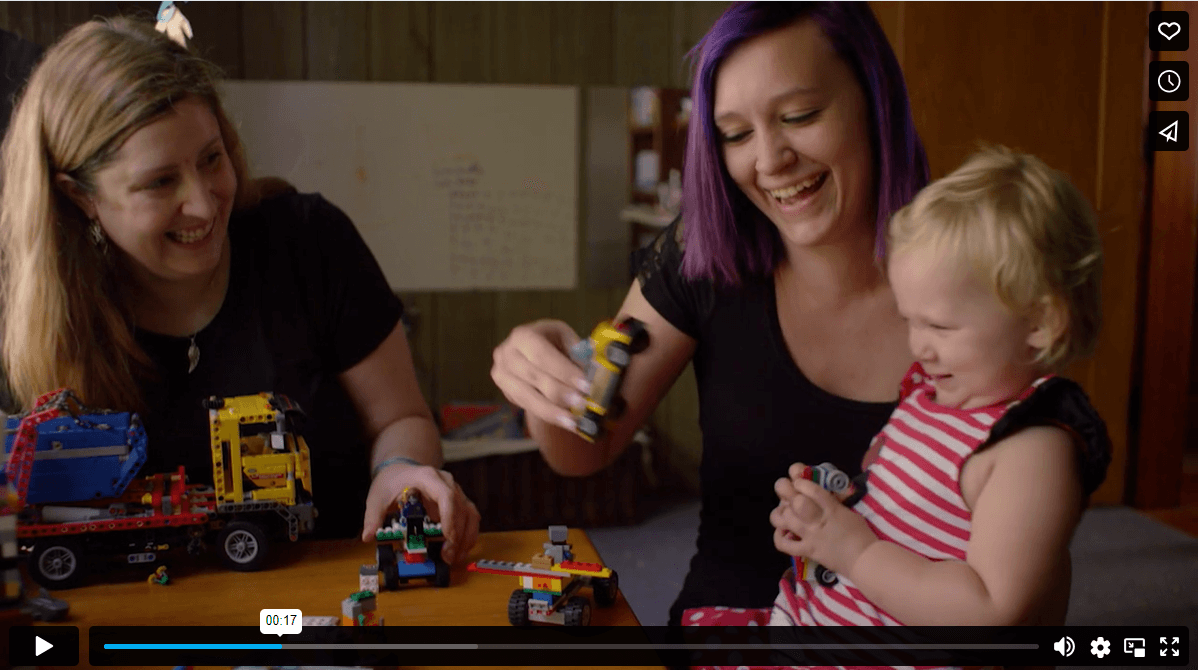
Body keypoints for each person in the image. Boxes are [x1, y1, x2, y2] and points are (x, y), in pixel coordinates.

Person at [491, 1, 929, 624]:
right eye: (736, 134)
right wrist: (551, 375)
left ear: (874, 99)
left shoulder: (970, 266)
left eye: (799, 116)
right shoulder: (703, 252)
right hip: (729, 629)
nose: (769, 160)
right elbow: (582, 452)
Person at [0, 17, 479, 563]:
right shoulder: (32, 315)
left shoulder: (309, 240)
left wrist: (399, 473)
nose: (204, 204)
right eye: (160, 182)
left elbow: (400, 419)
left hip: (319, 611)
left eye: (211, 158)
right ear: (80, 196)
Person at [682, 148, 1111, 645]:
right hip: (818, 621)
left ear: (1040, 324)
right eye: (910, 320)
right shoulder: (933, 394)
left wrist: (856, 551)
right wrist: (830, 506)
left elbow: (991, 610)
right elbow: (897, 499)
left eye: (940, 326)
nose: (917, 345)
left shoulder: (1030, 450)